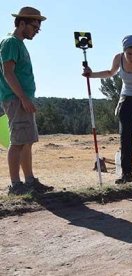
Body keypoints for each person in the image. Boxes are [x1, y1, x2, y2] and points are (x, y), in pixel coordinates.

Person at [83, 35, 132, 184]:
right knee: (125, 137)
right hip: (126, 98)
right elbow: (110, 73)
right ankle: (126, 174)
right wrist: (91, 74)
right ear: (124, 51)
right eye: (130, 53)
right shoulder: (118, 58)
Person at [0, 7, 54, 195]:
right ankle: (16, 185)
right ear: (22, 23)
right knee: (17, 142)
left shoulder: (19, 44)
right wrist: (22, 98)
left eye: (38, 28)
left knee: (27, 141)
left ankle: (29, 181)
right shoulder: (11, 43)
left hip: (22, 98)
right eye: (34, 26)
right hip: (16, 99)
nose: (36, 31)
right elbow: (8, 72)